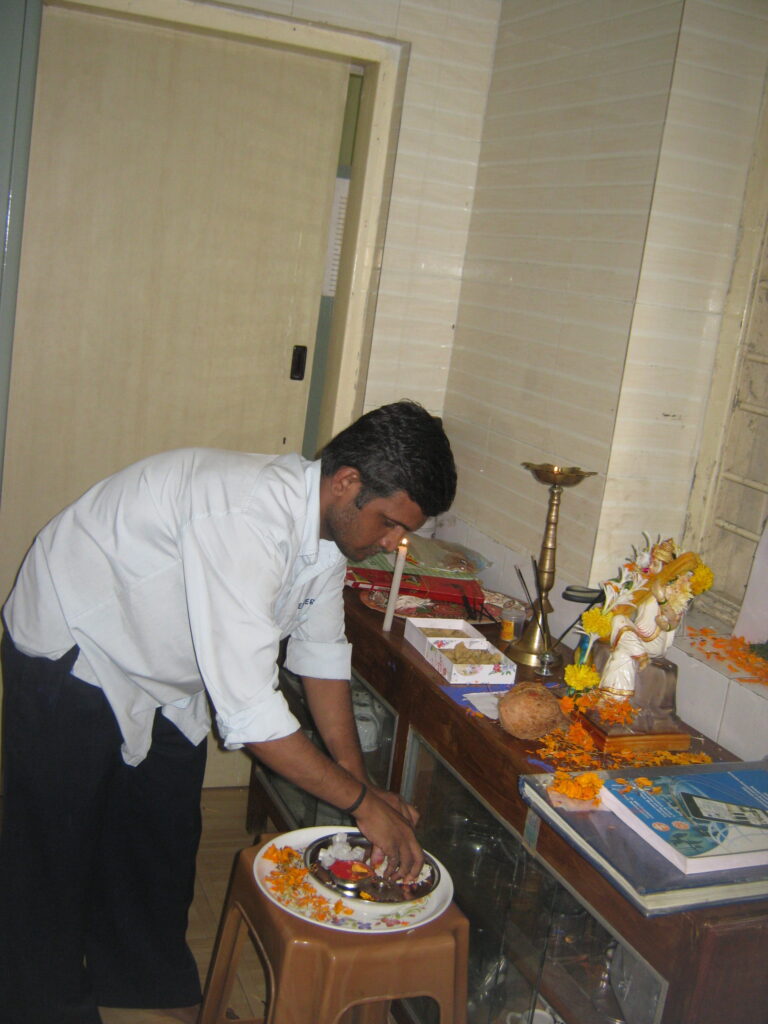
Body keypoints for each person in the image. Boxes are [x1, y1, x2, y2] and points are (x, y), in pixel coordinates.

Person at [0, 399, 457, 1024]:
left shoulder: (328, 534)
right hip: (79, 636)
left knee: (160, 833)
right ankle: (43, 1007)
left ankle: (150, 989)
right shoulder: (246, 517)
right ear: (347, 482)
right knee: (56, 845)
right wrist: (360, 804)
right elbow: (254, 718)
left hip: (162, 665)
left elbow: (321, 654)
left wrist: (362, 783)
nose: (390, 543)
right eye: (389, 523)